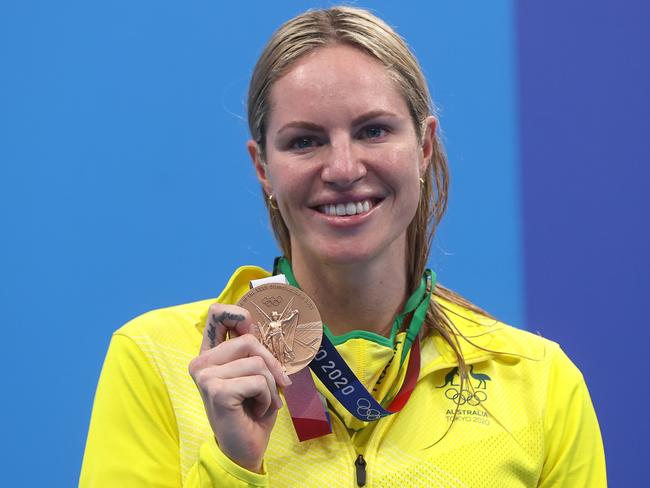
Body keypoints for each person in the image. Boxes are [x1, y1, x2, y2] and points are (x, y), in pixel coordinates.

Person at [80, 6, 606, 487]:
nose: (344, 169)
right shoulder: (158, 361)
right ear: (263, 166)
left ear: (423, 147)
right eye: (304, 141)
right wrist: (232, 466)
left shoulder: (537, 383)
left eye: (373, 131)